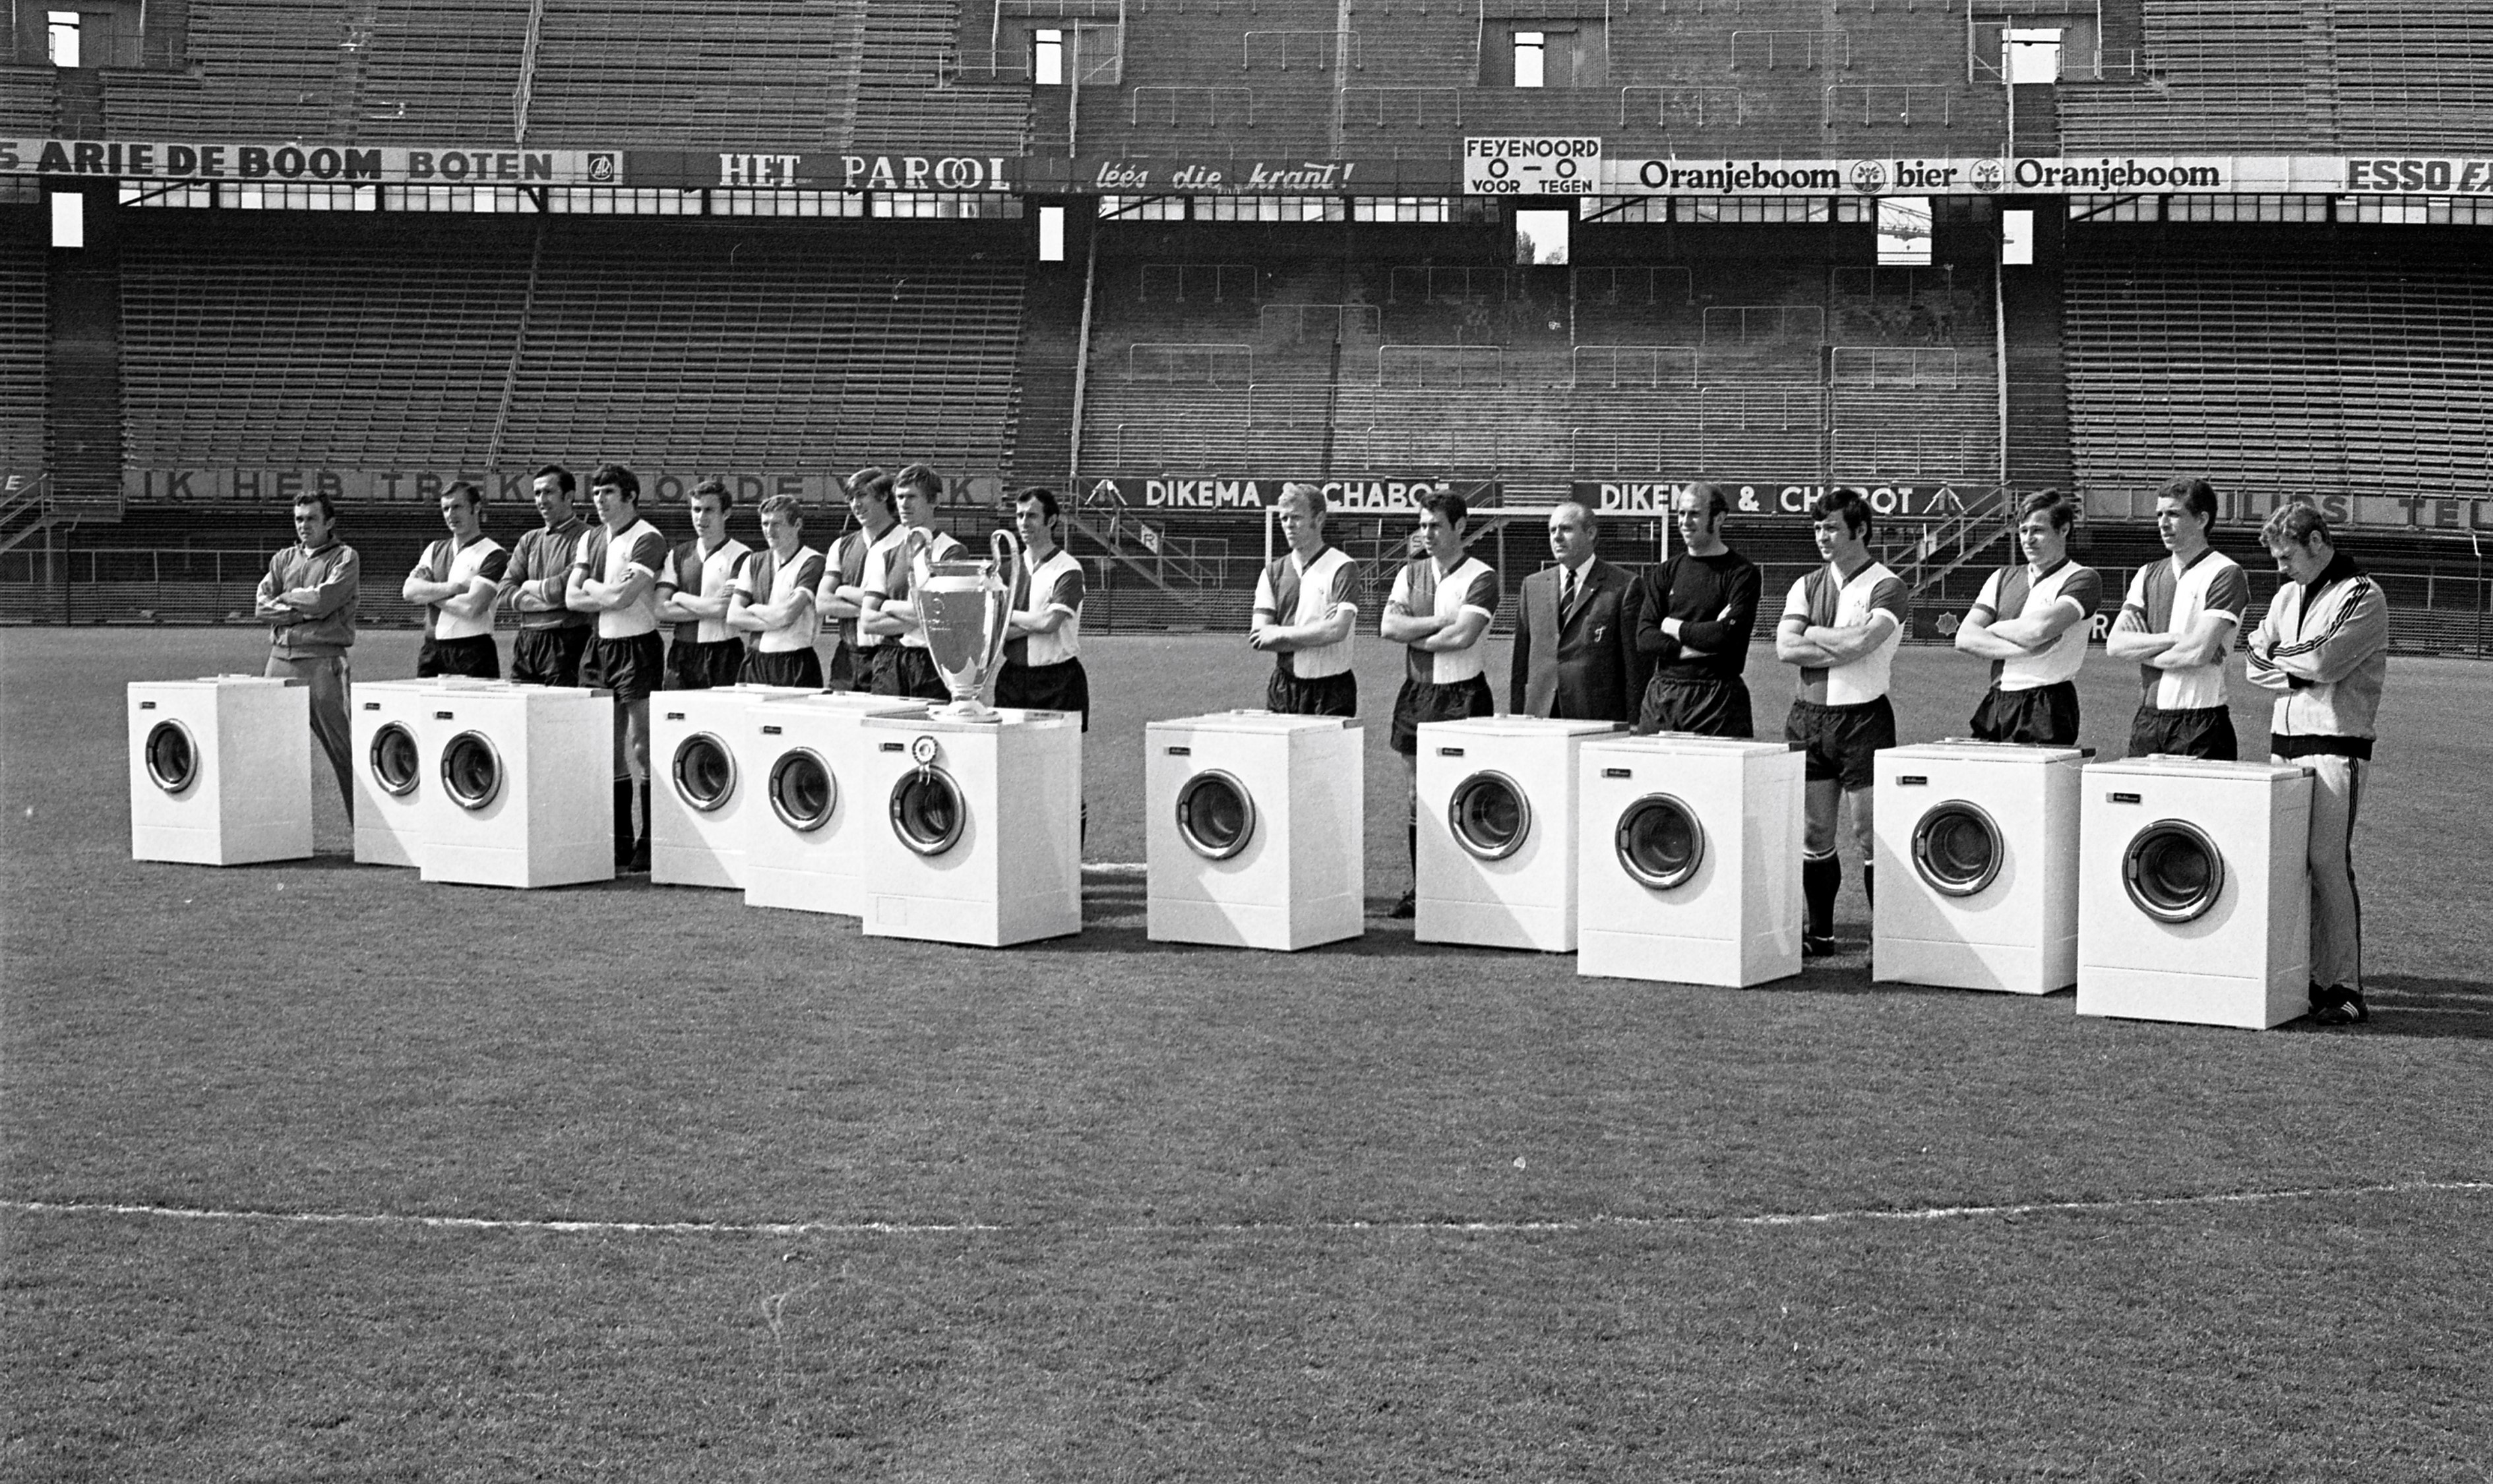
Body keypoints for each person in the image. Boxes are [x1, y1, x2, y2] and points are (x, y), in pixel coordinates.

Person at [2245, 504, 2389, 1026]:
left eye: (2287, 555)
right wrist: (2293, 662)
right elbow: (2252, 661)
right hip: (2283, 744)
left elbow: (2326, 661)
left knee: (2328, 864)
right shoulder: (2287, 595)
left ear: (2316, 541)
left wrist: (2285, 656)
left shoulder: (2362, 595)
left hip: (2336, 744)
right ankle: (2303, 976)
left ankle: (2346, 987)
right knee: (2291, 865)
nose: (2281, 567)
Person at [1776, 487, 1908, 958]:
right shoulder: (1805, 584)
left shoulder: (1888, 585)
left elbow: (1863, 645)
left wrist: (1811, 631)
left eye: (1831, 527)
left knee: (1868, 834)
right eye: (1817, 527)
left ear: (1861, 530)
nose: (1822, 536)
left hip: (1862, 720)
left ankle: (1885, 937)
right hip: (1808, 718)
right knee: (1815, 834)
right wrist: (1832, 638)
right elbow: (1785, 648)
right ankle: (1822, 934)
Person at [1380, 491, 1499, 917]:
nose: (1426, 533)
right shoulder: (1410, 574)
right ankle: (1422, 888)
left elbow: (1462, 637)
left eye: (1435, 525)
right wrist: (1437, 623)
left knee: (1466, 793)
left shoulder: (1482, 576)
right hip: (1417, 695)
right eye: (1423, 525)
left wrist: (1416, 634)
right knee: (1417, 795)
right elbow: (1388, 626)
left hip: (1463, 694)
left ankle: (1468, 888)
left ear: (1460, 527)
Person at [565, 463, 669, 873]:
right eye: (596, 494)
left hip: (637, 647)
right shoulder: (591, 538)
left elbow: (625, 598)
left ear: (630, 497)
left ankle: (650, 840)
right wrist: (597, 589)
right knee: (607, 747)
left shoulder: (647, 538)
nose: (600, 501)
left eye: (608, 493)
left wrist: (593, 588)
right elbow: (573, 598)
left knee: (643, 745)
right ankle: (619, 841)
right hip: (599, 646)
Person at [2107, 476, 2249, 760]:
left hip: (2200, 719)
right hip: (2148, 719)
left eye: (2174, 514)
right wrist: (2175, 640)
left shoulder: (2225, 573)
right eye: (2160, 514)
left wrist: (2142, 649)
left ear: (2201, 519)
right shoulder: (2147, 573)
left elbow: (2197, 653)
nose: (2163, 522)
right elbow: (2115, 645)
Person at [1952, 489, 2101, 745]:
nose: (2028, 539)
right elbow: (1964, 638)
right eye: (2023, 531)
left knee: (2036, 784)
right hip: (1998, 698)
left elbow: (2039, 630)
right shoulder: (2001, 578)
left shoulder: (2082, 578)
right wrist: (2026, 651)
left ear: (2063, 530)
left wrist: (1993, 628)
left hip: (2046, 702)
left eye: (2038, 530)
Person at [255, 491, 361, 822]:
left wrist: (286, 601)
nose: (303, 525)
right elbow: (261, 606)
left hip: (322, 662)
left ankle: (368, 831)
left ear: (329, 522)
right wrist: (300, 611)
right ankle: (279, 832)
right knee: (272, 753)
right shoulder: (283, 559)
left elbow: (324, 600)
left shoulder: (345, 558)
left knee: (346, 752)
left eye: (311, 518)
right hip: (279, 660)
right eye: (299, 518)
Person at [1634, 482, 1762, 737]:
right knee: (1653, 774)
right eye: (1681, 514)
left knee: (1713, 776)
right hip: (1663, 695)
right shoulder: (1666, 572)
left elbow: (1727, 637)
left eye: (1694, 514)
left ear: (1719, 518)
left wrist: (1674, 627)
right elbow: (1645, 637)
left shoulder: (1742, 574)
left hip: (1717, 697)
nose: (1685, 521)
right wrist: (1691, 648)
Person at [1509, 500, 1644, 724]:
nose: (1557, 537)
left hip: (1595, 717)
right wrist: (1516, 715)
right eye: (1552, 530)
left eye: (1566, 529)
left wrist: (1634, 723)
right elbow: (1520, 662)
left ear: (1590, 533)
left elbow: (1635, 668)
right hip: (1539, 714)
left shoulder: (1624, 586)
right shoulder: (1532, 585)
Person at [1247, 481, 1359, 716]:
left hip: (1331, 687)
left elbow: (1337, 632)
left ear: (1318, 520)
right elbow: (1260, 637)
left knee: (1327, 754)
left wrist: (1279, 632)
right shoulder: (1272, 572)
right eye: (1284, 519)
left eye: (1296, 517)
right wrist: (1318, 630)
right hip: (1284, 686)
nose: (1289, 525)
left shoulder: (1342, 567)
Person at [862, 462, 964, 703]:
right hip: (888, 659)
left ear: (934, 501)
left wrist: (888, 606)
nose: (904, 504)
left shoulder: (952, 552)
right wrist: (920, 615)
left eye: (912, 497)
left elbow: (941, 618)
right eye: (900, 497)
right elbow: (867, 621)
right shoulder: (883, 552)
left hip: (931, 660)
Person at [994, 487, 1090, 724]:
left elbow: (1050, 623)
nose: (1024, 523)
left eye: (1032, 516)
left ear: (1052, 520)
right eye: (1020, 516)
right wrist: (1034, 621)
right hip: (1012, 678)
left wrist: (1008, 617)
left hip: (1058, 680)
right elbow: (993, 632)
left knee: (1057, 758)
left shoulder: (1068, 569)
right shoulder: (1005, 571)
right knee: (1010, 756)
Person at [499, 464, 596, 687]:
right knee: (522, 713)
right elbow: (504, 591)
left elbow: (561, 589)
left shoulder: (588, 537)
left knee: (559, 713)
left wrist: (527, 586)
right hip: (526, 640)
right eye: (537, 493)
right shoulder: (529, 540)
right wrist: (550, 605)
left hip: (567, 640)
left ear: (569, 496)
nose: (541, 500)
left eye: (549, 492)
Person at [401, 480, 507, 679]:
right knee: (428, 710)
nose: (451, 514)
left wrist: (429, 596)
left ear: (476, 508)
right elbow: (409, 591)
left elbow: (472, 607)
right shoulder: (434, 549)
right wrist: (455, 587)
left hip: (472, 650)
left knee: (471, 710)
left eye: (457, 507)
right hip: (432, 649)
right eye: (446, 508)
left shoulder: (494, 554)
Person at [656, 476, 750, 690]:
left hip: (724, 654)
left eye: (709, 510)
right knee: (676, 720)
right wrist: (708, 607)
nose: (701, 517)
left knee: (722, 721)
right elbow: (659, 608)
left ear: (726, 513)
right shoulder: (678, 554)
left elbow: (723, 608)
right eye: (696, 510)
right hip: (682, 652)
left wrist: (679, 597)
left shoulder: (742, 555)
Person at [727, 493, 826, 689]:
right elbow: (733, 616)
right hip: (754, 661)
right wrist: (777, 619)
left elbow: (788, 614)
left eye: (777, 524)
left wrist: (754, 608)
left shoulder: (812, 561)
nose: (769, 531)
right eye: (765, 524)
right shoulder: (753, 561)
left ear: (797, 525)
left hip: (795, 661)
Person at [815, 470, 894, 691]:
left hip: (890, 653)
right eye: (851, 498)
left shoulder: (906, 541)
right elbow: (823, 603)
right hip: (846, 656)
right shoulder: (841, 546)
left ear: (884, 495)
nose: (855, 504)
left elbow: (907, 604)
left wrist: (844, 591)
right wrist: (874, 608)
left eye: (862, 496)